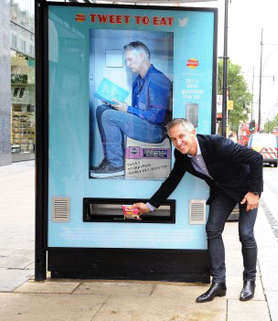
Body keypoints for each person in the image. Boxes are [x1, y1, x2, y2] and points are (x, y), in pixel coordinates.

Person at [133, 118, 263, 303]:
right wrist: (149, 205)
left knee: (246, 234)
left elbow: (256, 158)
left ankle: (249, 281)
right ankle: (219, 283)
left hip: (245, 188)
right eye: (173, 139)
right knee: (212, 230)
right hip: (223, 191)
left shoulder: (217, 144)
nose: (178, 142)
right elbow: (172, 180)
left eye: (181, 136)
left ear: (192, 132)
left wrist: (254, 192)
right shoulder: (182, 156)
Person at [91, 41, 172, 178]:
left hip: (156, 131)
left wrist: (127, 109)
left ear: (141, 57)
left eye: (129, 59)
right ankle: (110, 160)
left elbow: (156, 117)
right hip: (145, 125)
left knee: (108, 116)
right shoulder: (138, 80)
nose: (127, 64)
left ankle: (116, 165)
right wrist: (119, 106)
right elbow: (138, 111)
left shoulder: (157, 79)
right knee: (102, 109)